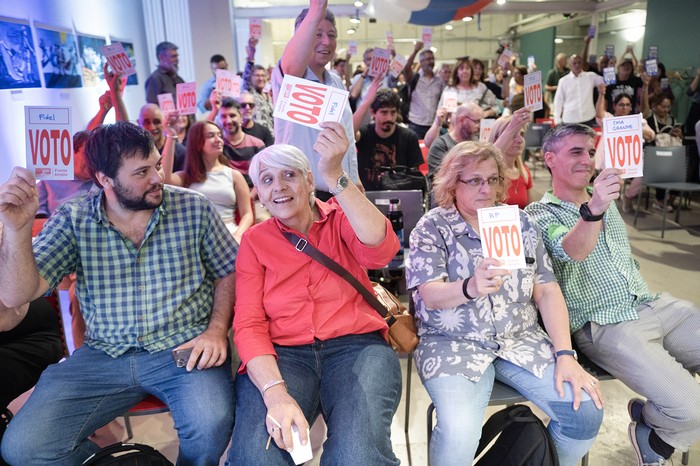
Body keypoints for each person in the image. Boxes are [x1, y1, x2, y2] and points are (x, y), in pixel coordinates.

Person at [0, 122, 238, 466]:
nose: (157, 177)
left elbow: (228, 269)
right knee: (23, 446)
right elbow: (18, 293)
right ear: (104, 179)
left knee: (210, 426)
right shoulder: (74, 217)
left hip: (182, 348)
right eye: (142, 171)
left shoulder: (193, 208)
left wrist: (216, 330)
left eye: (156, 165)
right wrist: (18, 229)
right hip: (104, 354)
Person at [407, 140, 604, 466]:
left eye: (493, 179)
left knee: (584, 411)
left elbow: (546, 290)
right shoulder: (432, 226)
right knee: (459, 434)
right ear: (453, 183)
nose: (486, 188)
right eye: (474, 180)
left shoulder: (520, 222)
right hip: (453, 344)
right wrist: (470, 286)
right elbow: (429, 293)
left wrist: (566, 355)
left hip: (520, 338)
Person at [525, 123, 700, 466]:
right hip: (603, 324)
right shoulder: (538, 214)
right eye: (575, 152)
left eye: (590, 153)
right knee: (691, 409)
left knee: (685, 404)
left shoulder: (603, 195)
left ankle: (657, 414)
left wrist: (626, 171)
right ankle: (655, 434)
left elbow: (620, 184)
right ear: (550, 159)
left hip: (649, 302)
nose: (586, 160)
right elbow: (571, 249)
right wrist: (594, 209)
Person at [228, 122, 402, 466]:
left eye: (289, 175)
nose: (279, 187)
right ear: (258, 196)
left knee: (359, 457)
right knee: (255, 458)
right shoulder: (254, 241)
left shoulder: (341, 217)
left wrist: (335, 174)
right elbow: (248, 324)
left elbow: (382, 252)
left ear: (310, 181)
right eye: (266, 181)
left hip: (357, 346)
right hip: (285, 356)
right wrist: (275, 393)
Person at [163, 120, 253, 244]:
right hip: (195, 239)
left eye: (219, 135)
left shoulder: (234, 175)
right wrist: (171, 136)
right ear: (197, 142)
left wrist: (238, 235)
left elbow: (247, 214)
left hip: (228, 236)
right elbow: (164, 179)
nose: (218, 140)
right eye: (211, 136)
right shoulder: (186, 177)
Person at [594, 84, 655, 213]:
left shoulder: (637, 121)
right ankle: (603, 207)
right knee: (608, 186)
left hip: (633, 159)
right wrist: (601, 94)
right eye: (621, 104)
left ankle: (628, 196)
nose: (625, 107)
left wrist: (641, 131)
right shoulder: (609, 119)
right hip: (611, 159)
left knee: (647, 171)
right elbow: (599, 114)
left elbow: (651, 136)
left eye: (628, 105)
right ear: (614, 106)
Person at [354, 88, 423, 190]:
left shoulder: (409, 137)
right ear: (373, 113)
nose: (389, 118)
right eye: (384, 112)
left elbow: (414, 177)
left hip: (399, 195)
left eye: (393, 112)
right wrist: (366, 102)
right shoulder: (364, 133)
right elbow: (349, 132)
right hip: (366, 194)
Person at [487, 107, 533, 208]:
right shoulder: (487, 174)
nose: (520, 140)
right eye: (512, 135)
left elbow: (530, 211)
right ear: (498, 138)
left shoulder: (524, 172)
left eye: (521, 134)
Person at [427, 102, 483, 183]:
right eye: (476, 121)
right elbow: (441, 182)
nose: (479, 126)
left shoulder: (478, 143)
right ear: (462, 119)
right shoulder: (440, 145)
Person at [646, 94, 684, 212]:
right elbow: (648, 139)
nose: (666, 110)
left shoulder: (672, 119)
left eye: (668, 107)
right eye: (663, 107)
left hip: (672, 154)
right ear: (655, 106)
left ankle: (671, 199)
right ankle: (659, 200)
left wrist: (679, 134)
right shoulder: (650, 119)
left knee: (678, 171)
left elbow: (682, 138)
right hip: (655, 155)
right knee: (662, 170)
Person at [403, 42, 445, 139]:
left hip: (433, 125)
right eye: (427, 59)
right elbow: (406, 69)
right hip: (415, 125)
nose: (431, 61)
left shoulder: (440, 81)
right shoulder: (414, 77)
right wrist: (415, 51)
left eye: (432, 59)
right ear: (421, 63)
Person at [553, 54, 604, 126]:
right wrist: (557, 118)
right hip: (569, 119)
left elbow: (606, 81)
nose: (577, 65)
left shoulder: (591, 76)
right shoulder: (563, 81)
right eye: (574, 63)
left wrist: (610, 69)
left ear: (582, 64)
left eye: (579, 62)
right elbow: (558, 101)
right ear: (570, 65)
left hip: (588, 118)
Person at [137, 103, 186, 172]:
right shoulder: (135, 153)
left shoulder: (180, 153)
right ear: (139, 123)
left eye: (157, 122)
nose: (152, 127)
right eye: (146, 122)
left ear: (164, 122)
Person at [242, 38, 275, 133]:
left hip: (272, 137)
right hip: (259, 136)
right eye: (257, 75)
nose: (260, 78)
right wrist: (251, 53)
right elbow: (247, 74)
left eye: (263, 75)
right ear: (251, 78)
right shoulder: (250, 93)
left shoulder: (268, 95)